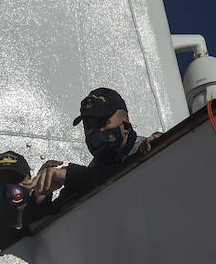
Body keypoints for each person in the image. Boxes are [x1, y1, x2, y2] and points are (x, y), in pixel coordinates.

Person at [28, 88, 162, 205]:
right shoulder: (89, 175)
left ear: (125, 127)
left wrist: (162, 145)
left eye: (101, 123)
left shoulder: (149, 150)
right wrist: (42, 196)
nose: (93, 132)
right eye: (88, 126)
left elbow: (120, 181)